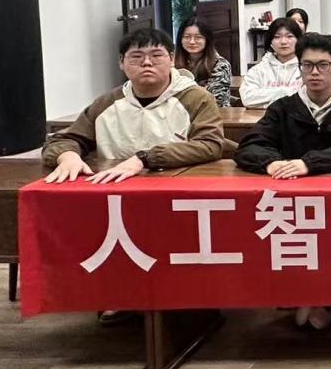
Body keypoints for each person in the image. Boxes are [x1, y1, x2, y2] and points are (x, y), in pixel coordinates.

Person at [42, 26, 229, 326]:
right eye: (136, 57)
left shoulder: (195, 99)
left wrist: (145, 158)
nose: (147, 63)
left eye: (156, 55)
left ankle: (185, 298)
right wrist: (68, 155)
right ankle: (125, 293)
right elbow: (65, 139)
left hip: (179, 196)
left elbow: (210, 145)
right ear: (121, 63)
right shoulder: (107, 103)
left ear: (171, 59)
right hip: (120, 198)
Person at [235, 32, 331, 331]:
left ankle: (329, 297)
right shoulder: (284, 107)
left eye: (323, 65)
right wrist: (271, 162)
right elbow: (250, 145)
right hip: (295, 201)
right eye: (307, 65)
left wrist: (308, 163)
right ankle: (306, 293)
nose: (314, 73)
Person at [241, 17, 305, 107]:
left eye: (289, 36)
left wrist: (266, 100)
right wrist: (283, 92)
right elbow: (247, 98)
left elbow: (310, 98)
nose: (283, 42)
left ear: (298, 40)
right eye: (277, 37)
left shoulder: (307, 67)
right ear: (270, 42)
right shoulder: (258, 70)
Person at [175, 16, 232, 106]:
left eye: (198, 37)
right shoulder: (172, 63)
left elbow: (215, 99)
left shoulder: (221, 64)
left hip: (214, 112)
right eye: (187, 37)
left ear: (207, 40)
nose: (192, 42)